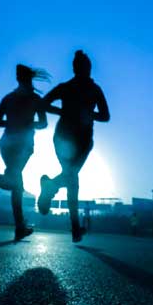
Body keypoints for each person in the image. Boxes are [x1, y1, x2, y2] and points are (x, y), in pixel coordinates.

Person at [37, 50, 110, 242]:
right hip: (72, 140)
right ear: (84, 69)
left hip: (76, 141)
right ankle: (75, 228)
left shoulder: (73, 88)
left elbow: (105, 116)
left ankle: (50, 188)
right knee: (72, 179)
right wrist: (69, 112)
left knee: (71, 178)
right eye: (85, 68)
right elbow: (105, 116)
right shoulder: (89, 89)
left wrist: (71, 112)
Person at [0, 64, 49, 240]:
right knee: (16, 184)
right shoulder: (35, 99)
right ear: (30, 79)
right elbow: (44, 123)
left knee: (16, 184)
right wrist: (29, 124)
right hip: (23, 146)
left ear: (18, 79)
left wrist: (12, 123)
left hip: (6, 144)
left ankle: (20, 226)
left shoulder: (8, 98)